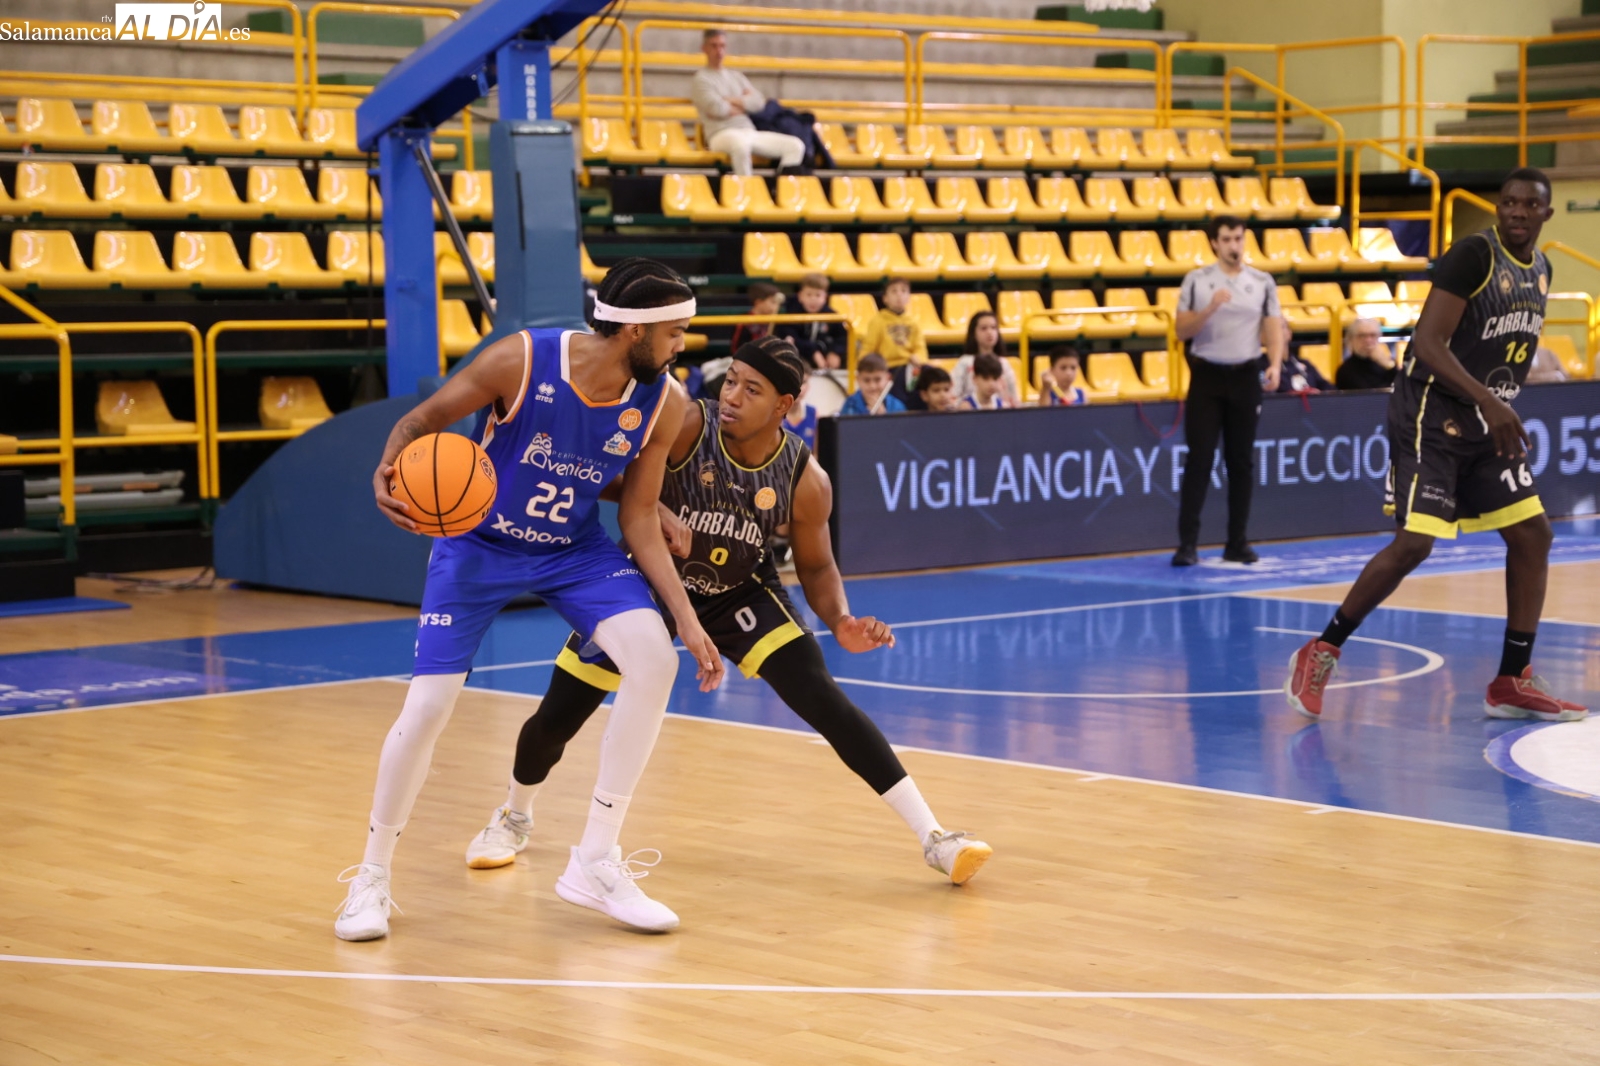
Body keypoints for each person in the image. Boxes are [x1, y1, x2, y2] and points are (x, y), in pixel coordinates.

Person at [466, 336, 992, 888]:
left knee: (822, 695)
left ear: (785, 405)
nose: (734, 395)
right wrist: (655, 507)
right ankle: (514, 814)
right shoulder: (688, 424)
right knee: (558, 717)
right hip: (646, 587)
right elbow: (609, 476)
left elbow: (815, 567)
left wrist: (840, 620)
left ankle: (935, 837)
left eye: (753, 388)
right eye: (733, 380)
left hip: (739, 588)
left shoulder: (804, 478)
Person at [334, 259, 727, 942]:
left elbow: (636, 517)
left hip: (573, 552)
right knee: (427, 709)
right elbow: (425, 418)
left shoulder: (665, 402)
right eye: (675, 332)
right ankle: (371, 876)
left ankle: (596, 860)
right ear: (634, 329)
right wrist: (388, 465)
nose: (681, 345)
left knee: (654, 660)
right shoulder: (520, 361)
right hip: (475, 547)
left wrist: (688, 622)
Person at [1286, 168, 1588, 723]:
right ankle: (1322, 649)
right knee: (1416, 545)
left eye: (1529, 205)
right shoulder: (1473, 256)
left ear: (1546, 213)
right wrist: (1492, 403)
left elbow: (1509, 350)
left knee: (1533, 534)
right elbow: (1426, 344)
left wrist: (1499, 401)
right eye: (1509, 202)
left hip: (1485, 419)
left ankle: (1511, 680)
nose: (1518, 212)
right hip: (1432, 413)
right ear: (1499, 208)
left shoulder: (1541, 270)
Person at [1172, 215, 1286, 567]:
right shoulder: (1197, 281)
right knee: (1199, 460)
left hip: (1245, 375)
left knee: (1241, 463)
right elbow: (1181, 331)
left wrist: (1276, 363)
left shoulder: (1262, 282)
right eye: (1227, 239)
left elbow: (1272, 326)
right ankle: (1187, 544)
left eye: (1239, 238)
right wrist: (1211, 307)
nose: (1234, 245)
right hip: (1207, 375)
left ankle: (1237, 542)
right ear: (1214, 243)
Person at [691, 29, 805, 176]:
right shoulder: (701, 79)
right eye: (714, 46)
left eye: (722, 46)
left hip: (748, 131)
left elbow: (758, 103)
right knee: (740, 146)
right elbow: (718, 109)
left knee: (795, 146)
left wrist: (729, 100)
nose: (719, 51)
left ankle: (781, 190)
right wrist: (744, 104)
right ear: (704, 48)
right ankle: (746, 191)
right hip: (720, 134)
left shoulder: (736, 76)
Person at [859, 277, 927, 406]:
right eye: (894, 291)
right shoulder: (877, 321)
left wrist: (919, 359)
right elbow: (868, 348)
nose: (899, 295)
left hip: (909, 368)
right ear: (885, 298)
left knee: (928, 375)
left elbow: (920, 347)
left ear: (908, 297)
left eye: (903, 291)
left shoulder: (913, 322)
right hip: (888, 369)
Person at [951, 312, 1021, 406]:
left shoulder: (1004, 363)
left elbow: (1013, 398)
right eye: (984, 328)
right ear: (974, 333)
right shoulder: (965, 362)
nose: (989, 332)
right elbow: (954, 394)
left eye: (993, 328)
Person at [778, 273, 847, 370]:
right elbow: (791, 338)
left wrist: (835, 352)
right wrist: (814, 352)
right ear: (800, 296)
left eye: (818, 295)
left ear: (825, 298)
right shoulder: (791, 315)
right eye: (809, 294)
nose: (813, 299)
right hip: (800, 361)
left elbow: (842, 337)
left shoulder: (832, 316)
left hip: (826, 362)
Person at [1334, 317, 1396, 391]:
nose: (1368, 340)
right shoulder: (1346, 371)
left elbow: (1406, 388)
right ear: (1351, 340)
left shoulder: (1388, 363)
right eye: (1362, 336)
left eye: (1372, 335)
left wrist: (1389, 365)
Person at [839, 353, 905, 415]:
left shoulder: (897, 407)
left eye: (877, 380)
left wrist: (883, 417)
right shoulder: (850, 405)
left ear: (887, 378)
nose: (872, 386)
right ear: (858, 379)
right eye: (866, 380)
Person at [731, 281, 782, 351]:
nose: (776, 307)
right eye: (772, 302)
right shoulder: (744, 322)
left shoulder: (773, 322)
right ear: (758, 302)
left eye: (777, 303)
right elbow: (737, 348)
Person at [783, 372, 818, 450]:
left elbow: (816, 455)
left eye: (804, 382)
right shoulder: (774, 414)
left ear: (808, 386)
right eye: (794, 381)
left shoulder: (813, 413)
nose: (799, 388)